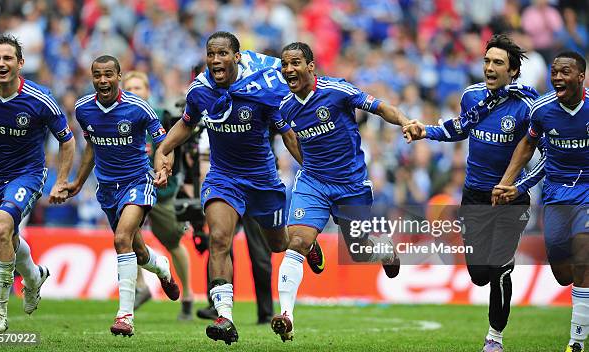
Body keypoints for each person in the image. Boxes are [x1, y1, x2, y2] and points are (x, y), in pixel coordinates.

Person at [154, 31, 324, 345]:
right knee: (219, 238)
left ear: (237, 57)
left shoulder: (264, 88)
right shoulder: (200, 90)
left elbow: (287, 133)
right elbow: (187, 123)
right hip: (223, 178)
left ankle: (306, 245)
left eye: (222, 54)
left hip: (262, 180)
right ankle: (225, 317)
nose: (215, 60)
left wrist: (311, 167)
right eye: (211, 54)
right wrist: (163, 150)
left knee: (278, 245)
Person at [403, 34, 541, 352]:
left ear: (513, 71)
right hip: (475, 196)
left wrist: (519, 186)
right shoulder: (471, 96)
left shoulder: (527, 107)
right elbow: (460, 128)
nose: (489, 68)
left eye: (498, 63)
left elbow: (545, 154)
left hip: (510, 199)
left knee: (501, 265)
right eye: (487, 61)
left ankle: (495, 338)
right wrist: (427, 130)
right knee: (480, 273)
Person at [272, 42, 412, 342]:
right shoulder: (284, 106)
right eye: (284, 64)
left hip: (350, 185)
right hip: (313, 183)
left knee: (359, 252)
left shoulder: (338, 91)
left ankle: (385, 251)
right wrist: (307, 166)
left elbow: (381, 107)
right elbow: (290, 138)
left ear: (311, 66)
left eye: (295, 63)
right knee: (295, 240)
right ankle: (286, 315)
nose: (288, 69)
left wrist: (404, 121)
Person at [65, 55, 180, 337]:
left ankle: (125, 317)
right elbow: (91, 146)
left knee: (120, 240)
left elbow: (165, 143)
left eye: (108, 75)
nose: (103, 80)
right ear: (92, 77)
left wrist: (163, 168)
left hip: (138, 181)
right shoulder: (83, 109)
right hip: (107, 189)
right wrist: (78, 181)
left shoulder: (139, 108)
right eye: (97, 75)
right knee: (138, 251)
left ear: (119, 76)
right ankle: (162, 267)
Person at [0, 34, 76, 333]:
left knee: (0, 229)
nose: (1, 63)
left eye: (8, 58)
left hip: (27, 174)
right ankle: (34, 276)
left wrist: (60, 181)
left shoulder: (40, 98)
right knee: (5, 238)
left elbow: (68, 142)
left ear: (20, 63)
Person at [492, 51, 588, 352]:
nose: (558, 77)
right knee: (563, 274)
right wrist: (509, 183)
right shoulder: (542, 110)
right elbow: (528, 146)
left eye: (565, 72)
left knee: (584, 258)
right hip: (557, 194)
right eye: (554, 72)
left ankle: (576, 341)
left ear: (581, 77)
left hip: (587, 190)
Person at [122, 70, 194, 320]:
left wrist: (176, 178)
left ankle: (187, 297)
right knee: (126, 235)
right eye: (128, 88)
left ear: (148, 92)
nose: (133, 93)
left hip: (163, 190)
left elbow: (176, 146)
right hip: (131, 187)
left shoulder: (162, 116)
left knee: (173, 243)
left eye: (138, 88)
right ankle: (140, 286)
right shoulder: (116, 118)